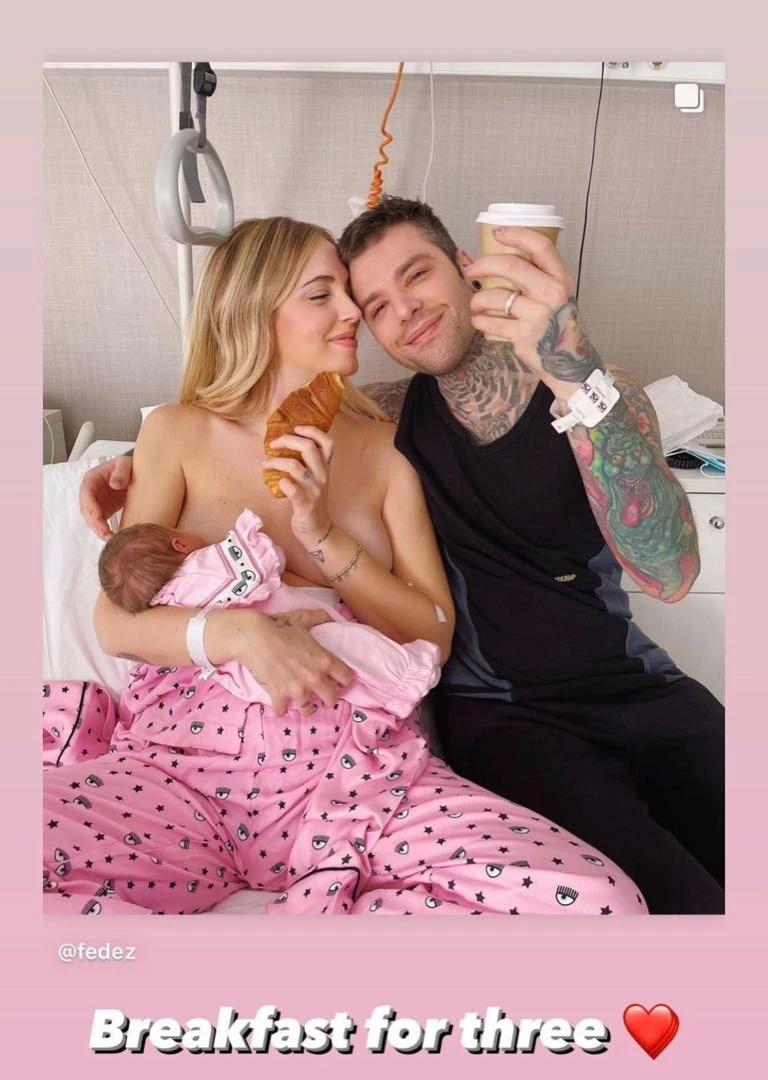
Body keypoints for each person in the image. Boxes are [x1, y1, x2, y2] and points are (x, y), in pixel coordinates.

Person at [82, 199, 724, 915]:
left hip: (646, 690)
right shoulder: (388, 416)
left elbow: (670, 573)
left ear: (465, 267)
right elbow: (250, 413)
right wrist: (125, 464)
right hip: (511, 719)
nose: (397, 312)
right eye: (374, 305)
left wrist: (572, 373)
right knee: (688, 906)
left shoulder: (590, 393)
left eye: (416, 275)